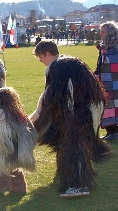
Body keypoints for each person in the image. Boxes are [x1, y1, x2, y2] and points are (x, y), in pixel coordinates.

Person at [29, 55, 113, 198]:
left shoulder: (59, 71)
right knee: (72, 141)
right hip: (91, 107)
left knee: (74, 145)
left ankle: (78, 186)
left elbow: (49, 101)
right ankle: (72, 175)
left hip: (82, 111)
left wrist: (31, 125)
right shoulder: (73, 69)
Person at [0, 87, 37, 193]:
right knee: (16, 169)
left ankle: (2, 188)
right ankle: (19, 188)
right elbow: (30, 132)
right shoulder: (19, 115)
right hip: (17, 149)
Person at [95, 21, 118, 142]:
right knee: (108, 107)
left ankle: (114, 131)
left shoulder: (116, 50)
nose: (101, 34)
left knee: (113, 106)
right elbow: (99, 68)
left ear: (110, 33)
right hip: (106, 85)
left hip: (116, 85)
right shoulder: (103, 50)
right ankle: (112, 130)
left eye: (103, 32)